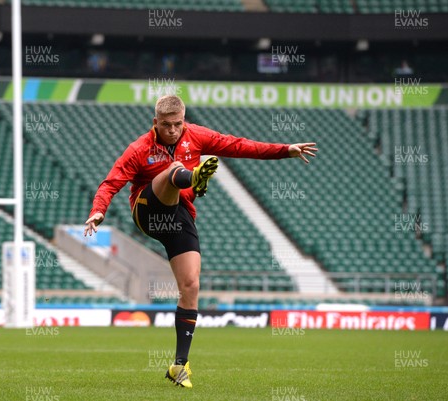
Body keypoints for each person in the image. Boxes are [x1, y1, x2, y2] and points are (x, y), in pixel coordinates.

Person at [84, 95, 317, 388]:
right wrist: (97, 212)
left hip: (179, 216)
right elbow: (111, 183)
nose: (172, 130)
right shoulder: (139, 148)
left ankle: (179, 366)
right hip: (147, 211)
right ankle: (192, 176)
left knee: (191, 286)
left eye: (177, 124)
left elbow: (240, 146)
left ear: (184, 120)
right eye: (165, 125)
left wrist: (285, 150)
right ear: (155, 122)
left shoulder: (197, 135)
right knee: (172, 170)